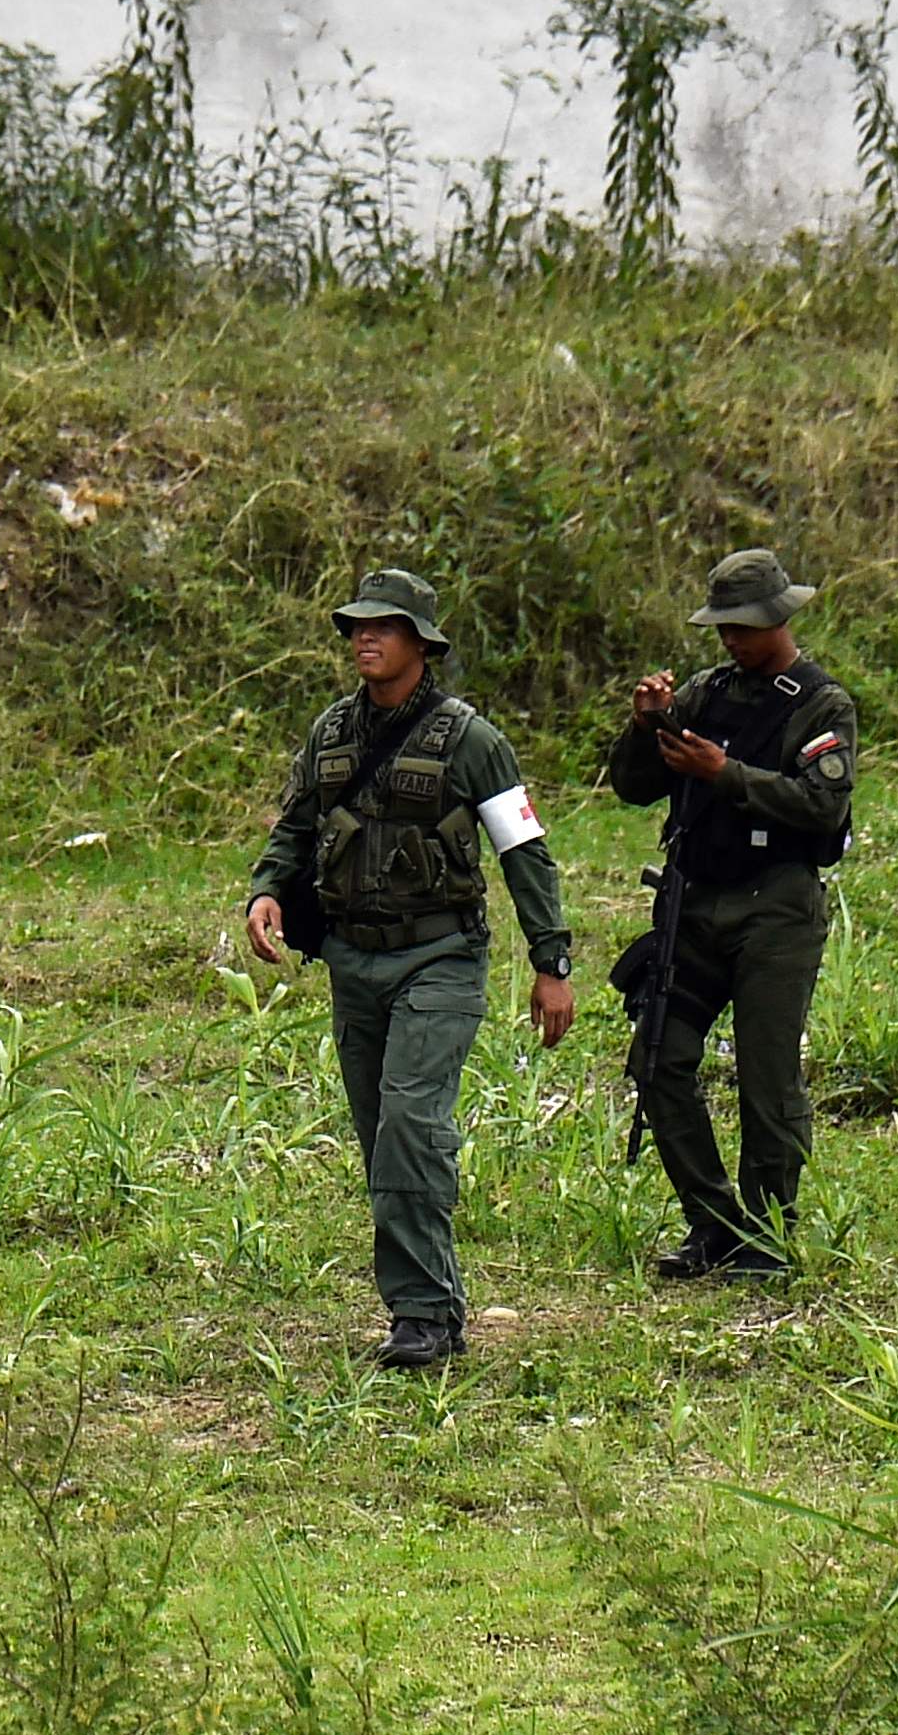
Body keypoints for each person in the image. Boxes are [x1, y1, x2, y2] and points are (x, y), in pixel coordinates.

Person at [246, 569, 575, 1371]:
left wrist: (551, 961)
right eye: (358, 626)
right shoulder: (331, 732)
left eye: (385, 626)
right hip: (353, 960)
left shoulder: (471, 741)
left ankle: (422, 1314)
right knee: (378, 1136)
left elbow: (524, 852)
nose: (366, 638)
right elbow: (297, 826)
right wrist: (266, 891)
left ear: (421, 644)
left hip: (440, 958)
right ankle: (432, 1309)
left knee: (410, 1128)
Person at [604, 548, 855, 1279]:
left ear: (779, 617)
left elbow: (823, 806)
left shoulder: (820, 704)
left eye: (743, 626)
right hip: (695, 903)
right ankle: (714, 1226)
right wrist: (647, 726)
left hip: (775, 908)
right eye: (723, 627)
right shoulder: (706, 694)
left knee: (766, 1080)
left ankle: (770, 1237)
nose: (731, 640)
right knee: (659, 1058)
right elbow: (633, 786)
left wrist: (727, 775)